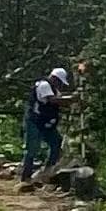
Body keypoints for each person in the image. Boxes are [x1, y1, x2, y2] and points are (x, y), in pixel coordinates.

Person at [21, 58, 73, 186]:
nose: (60, 86)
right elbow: (53, 100)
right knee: (32, 148)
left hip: (45, 123)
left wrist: (72, 101)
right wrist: (72, 99)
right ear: (54, 78)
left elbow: (60, 100)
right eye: (60, 82)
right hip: (35, 121)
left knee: (56, 142)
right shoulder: (44, 85)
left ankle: (48, 170)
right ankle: (26, 176)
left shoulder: (54, 89)